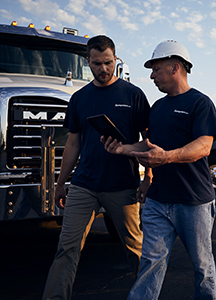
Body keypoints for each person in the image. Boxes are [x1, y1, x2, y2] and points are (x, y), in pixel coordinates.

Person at [102, 40, 216, 299]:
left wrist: (166, 157)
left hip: (193, 202)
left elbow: (203, 146)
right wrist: (122, 149)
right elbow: (148, 144)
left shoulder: (200, 103)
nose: (152, 75)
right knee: (150, 263)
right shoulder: (157, 107)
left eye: (156, 69)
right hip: (158, 201)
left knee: (202, 266)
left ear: (175, 66)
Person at [42, 35, 151, 300]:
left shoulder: (133, 94)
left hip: (122, 184)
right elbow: (73, 144)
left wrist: (148, 177)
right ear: (87, 62)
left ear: (116, 59)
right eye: (97, 64)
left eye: (108, 62)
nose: (104, 69)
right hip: (84, 184)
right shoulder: (79, 98)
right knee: (67, 248)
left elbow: (149, 141)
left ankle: (148, 296)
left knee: (136, 248)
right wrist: (60, 184)